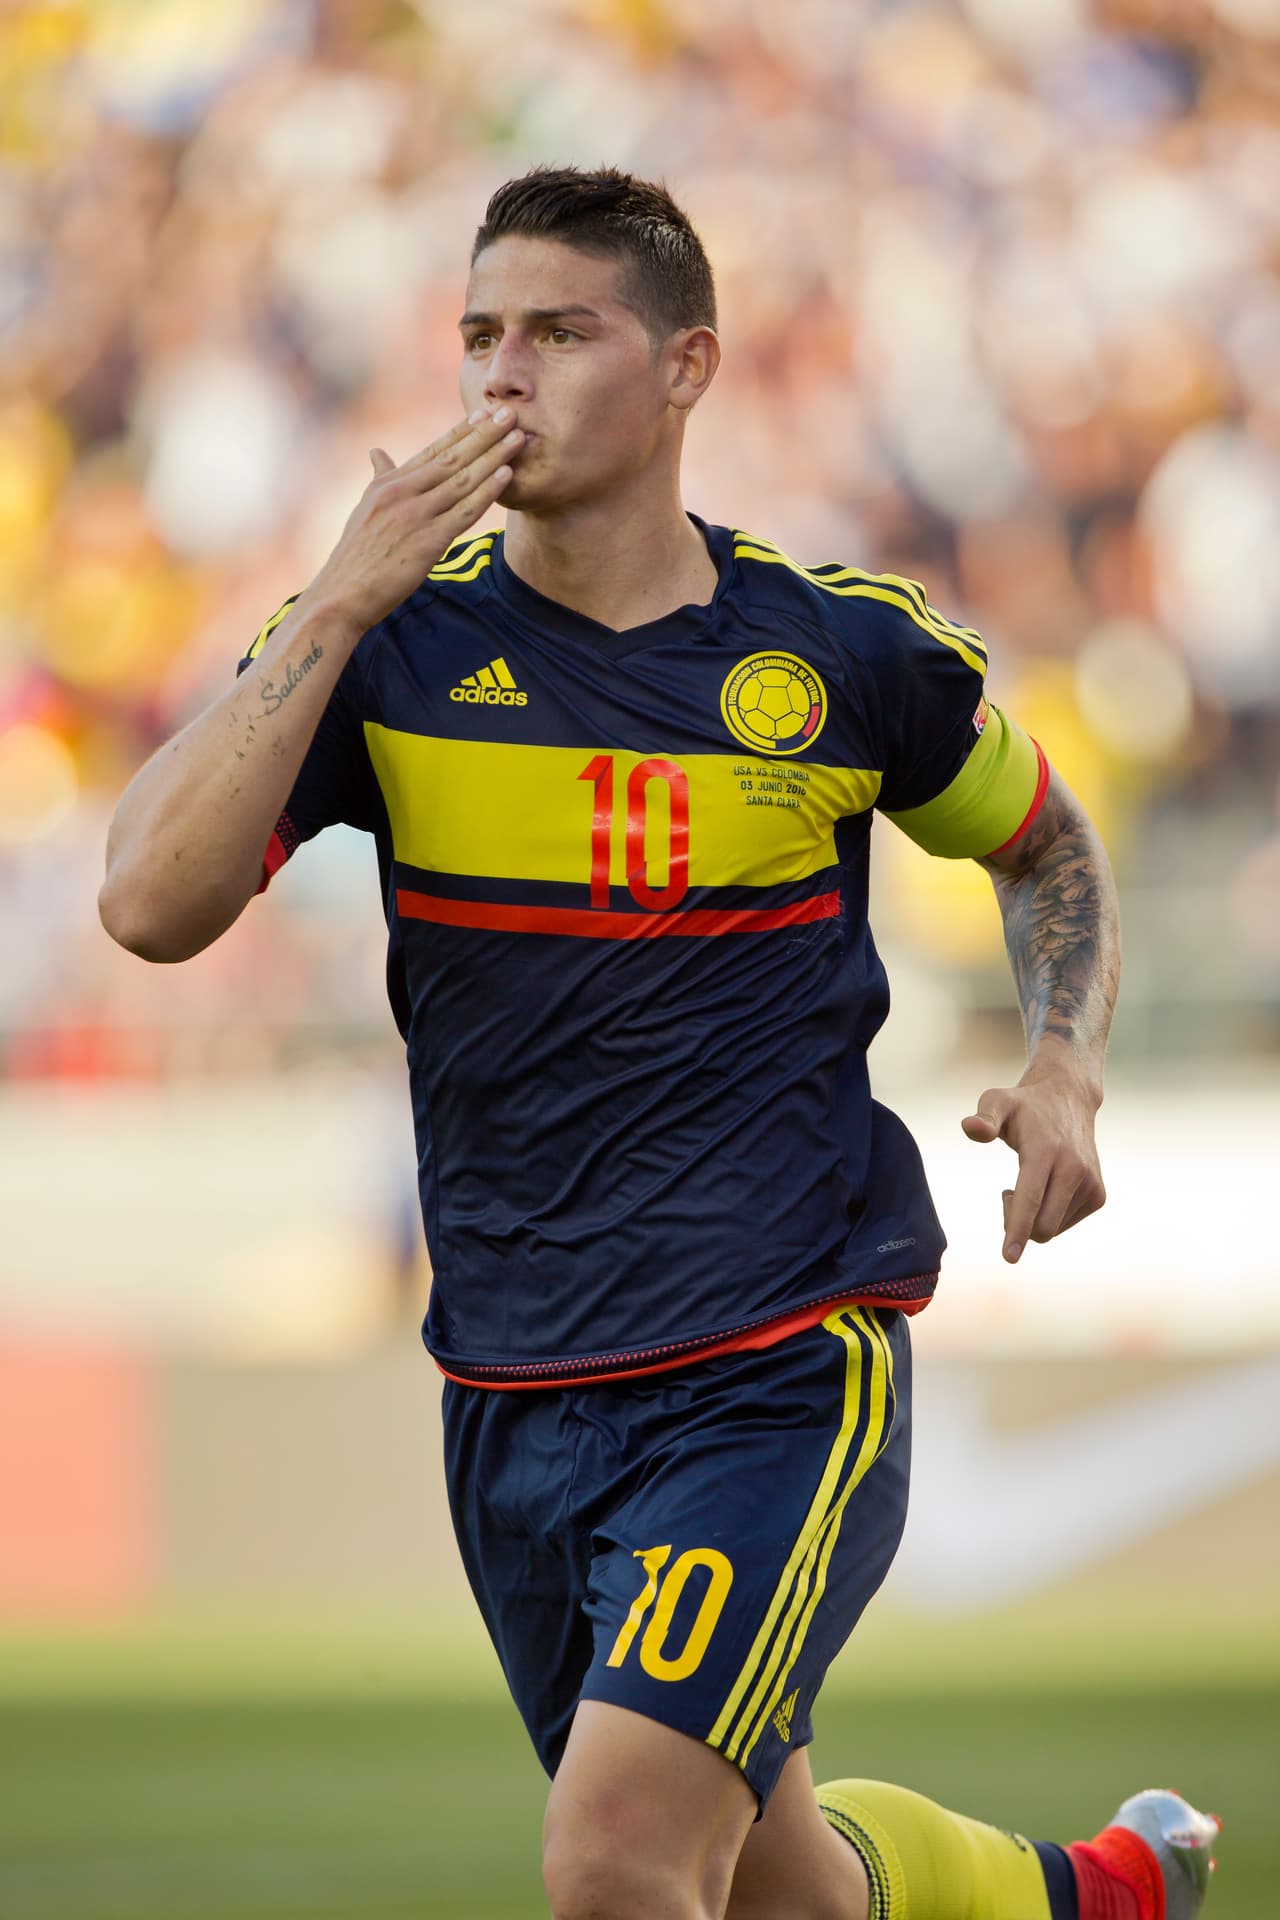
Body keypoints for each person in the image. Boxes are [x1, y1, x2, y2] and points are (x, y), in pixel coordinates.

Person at [100, 166, 1219, 1920]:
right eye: (481, 335)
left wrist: (1066, 1062)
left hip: (777, 1354)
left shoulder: (839, 653)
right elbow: (147, 908)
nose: (504, 375)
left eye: (561, 332)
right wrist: (329, 607)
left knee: (617, 1862)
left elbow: (1045, 845)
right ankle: (1103, 1893)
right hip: (512, 1380)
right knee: (777, 1890)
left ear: (688, 366)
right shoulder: (390, 650)